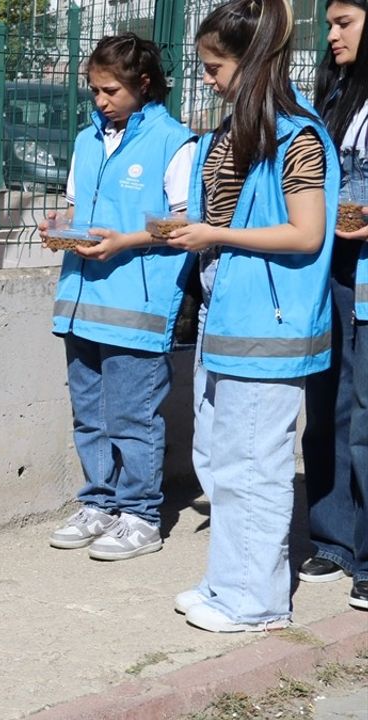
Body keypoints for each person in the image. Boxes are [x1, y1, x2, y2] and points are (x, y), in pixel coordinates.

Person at [167, 0, 339, 632]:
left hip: (270, 325)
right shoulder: (234, 130)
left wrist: (215, 231)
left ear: (254, 59)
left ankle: (259, 603)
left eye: (216, 67)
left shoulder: (298, 136)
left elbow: (306, 233)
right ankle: (228, 582)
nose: (208, 79)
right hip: (225, 314)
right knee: (219, 458)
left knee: (255, 463)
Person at [37, 34, 197, 562]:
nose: (100, 100)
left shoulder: (175, 142)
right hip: (81, 300)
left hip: (139, 307)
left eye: (110, 90)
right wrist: (59, 227)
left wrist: (126, 241)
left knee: (133, 415)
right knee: (89, 413)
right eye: (94, 90)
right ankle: (99, 503)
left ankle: (141, 514)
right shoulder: (87, 140)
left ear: (143, 84)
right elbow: (77, 207)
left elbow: (186, 223)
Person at [301, 0, 368, 611]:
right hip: (332, 269)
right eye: (328, 23)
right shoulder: (333, 93)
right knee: (327, 402)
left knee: (366, 412)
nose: (331, 35)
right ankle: (332, 537)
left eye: (343, 22)